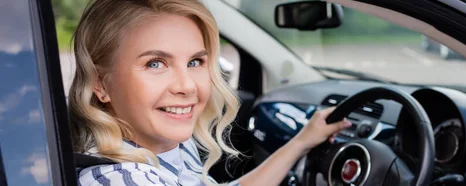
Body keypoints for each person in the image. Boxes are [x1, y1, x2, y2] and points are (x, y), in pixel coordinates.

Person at [69, 0, 351, 185]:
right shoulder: (121, 178)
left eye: (195, 62)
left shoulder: (170, 145)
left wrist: (302, 141)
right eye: (155, 64)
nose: (187, 86)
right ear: (101, 84)